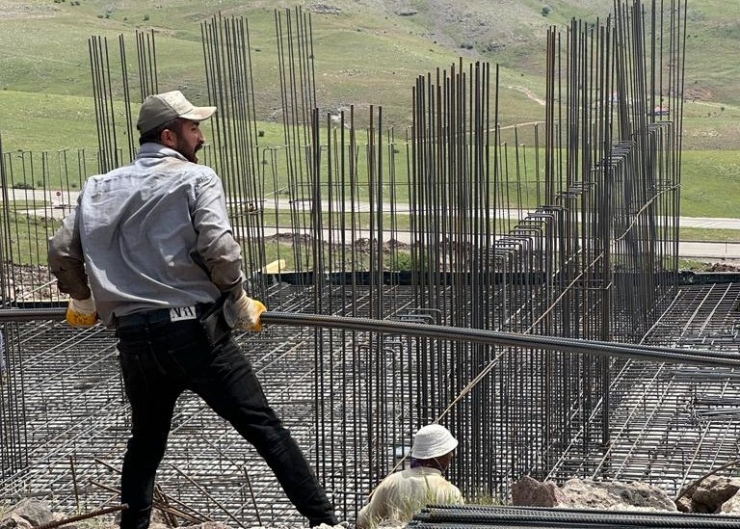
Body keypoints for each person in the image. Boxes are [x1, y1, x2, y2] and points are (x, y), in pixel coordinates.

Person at [48, 90, 338, 529]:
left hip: (134, 339)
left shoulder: (98, 186)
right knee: (264, 428)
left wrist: (84, 299)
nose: (201, 137)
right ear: (169, 135)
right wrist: (238, 297)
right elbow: (219, 248)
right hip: (194, 335)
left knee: (145, 445)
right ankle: (324, 521)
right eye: (193, 128)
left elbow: (61, 252)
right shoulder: (195, 178)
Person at [356, 424, 464, 528]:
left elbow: (364, 520)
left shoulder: (392, 482)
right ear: (438, 456)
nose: (452, 455)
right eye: (448, 451)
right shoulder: (451, 492)